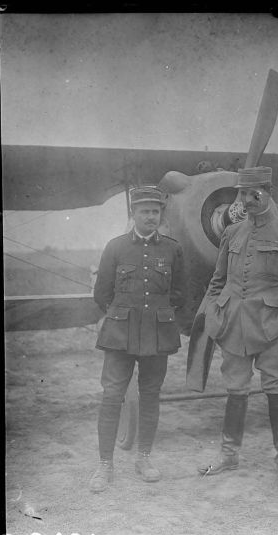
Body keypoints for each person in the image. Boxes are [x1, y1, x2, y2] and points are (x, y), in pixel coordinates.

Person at [197, 166, 278, 490]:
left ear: (268, 193)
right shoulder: (231, 233)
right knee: (236, 389)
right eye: (241, 194)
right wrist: (212, 314)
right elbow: (217, 281)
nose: (247, 201)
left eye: (254, 194)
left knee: (276, 389)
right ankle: (229, 454)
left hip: (272, 328)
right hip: (233, 326)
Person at [90, 185, 185, 492]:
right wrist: (122, 313)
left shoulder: (173, 249)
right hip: (120, 334)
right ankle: (105, 465)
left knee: (151, 394)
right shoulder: (115, 247)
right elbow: (101, 293)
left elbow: (181, 293)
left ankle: (144, 458)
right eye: (144, 212)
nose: (150, 217)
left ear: (161, 214)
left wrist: (158, 313)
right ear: (133, 214)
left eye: (155, 212)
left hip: (157, 334)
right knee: (112, 395)